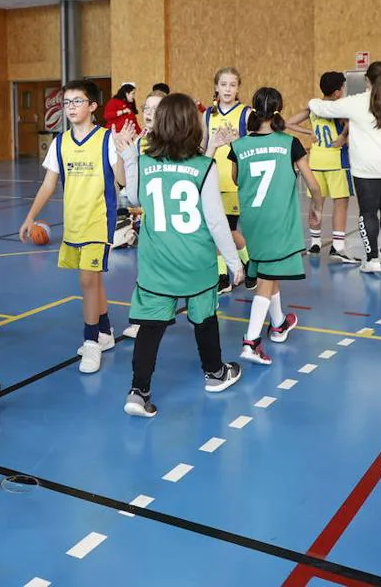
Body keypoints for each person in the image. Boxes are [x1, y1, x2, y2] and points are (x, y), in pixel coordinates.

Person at [119, 94, 244, 417]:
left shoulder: (146, 162)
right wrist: (234, 262)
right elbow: (217, 222)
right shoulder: (204, 166)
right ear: (193, 127)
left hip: (157, 264)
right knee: (205, 319)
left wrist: (129, 159)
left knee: (151, 327)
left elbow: (131, 196)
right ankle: (215, 373)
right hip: (197, 263)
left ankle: (138, 391)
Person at [20, 79, 129, 374]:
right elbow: (47, 184)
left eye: (77, 101)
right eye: (67, 102)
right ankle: (105, 332)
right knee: (93, 281)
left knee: (86, 280)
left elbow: (121, 182)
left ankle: (91, 342)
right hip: (75, 223)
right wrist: (30, 217)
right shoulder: (60, 142)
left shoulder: (106, 139)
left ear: (93, 106)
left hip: (99, 220)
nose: (71, 107)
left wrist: (120, 153)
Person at [228, 87, 320, 365]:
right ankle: (251, 342)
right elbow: (313, 185)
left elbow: (236, 179)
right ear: (279, 109)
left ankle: (278, 324)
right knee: (267, 280)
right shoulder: (289, 143)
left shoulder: (238, 146)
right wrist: (317, 208)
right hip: (278, 220)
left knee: (270, 269)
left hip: (253, 221)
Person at [308, 61, 381, 273]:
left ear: (367, 80)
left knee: (368, 212)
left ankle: (372, 259)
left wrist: (311, 102)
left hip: (366, 168)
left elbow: (323, 108)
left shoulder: (356, 102)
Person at [287, 72, 360, 263]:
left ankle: (315, 242)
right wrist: (343, 137)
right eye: (342, 89)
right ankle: (338, 247)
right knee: (340, 203)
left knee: (316, 203)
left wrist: (309, 131)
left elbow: (289, 123)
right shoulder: (339, 109)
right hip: (337, 162)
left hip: (317, 161)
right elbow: (351, 125)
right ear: (337, 92)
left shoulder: (314, 107)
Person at [118, 88, 167, 340]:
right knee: (146, 270)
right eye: (146, 108)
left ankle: (203, 304)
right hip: (148, 218)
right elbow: (125, 183)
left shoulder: (173, 143)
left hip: (172, 219)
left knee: (180, 269)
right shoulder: (139, 142)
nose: (149, 113)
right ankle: (143, 320)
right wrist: (122, 151)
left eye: (155, 109)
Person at [203, 67, 254, 293]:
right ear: (216, 87)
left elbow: (254, 146)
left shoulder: (246, 113)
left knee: (229, 230)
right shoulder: (207, 114)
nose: (227, 89)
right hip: (211, 180)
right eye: (223, 84)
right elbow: (204, 144)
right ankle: (222, 275)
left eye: (232, 85)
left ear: (238, 88)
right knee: (215, 229)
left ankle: (248, 261)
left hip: (234, 180)